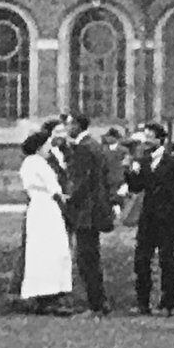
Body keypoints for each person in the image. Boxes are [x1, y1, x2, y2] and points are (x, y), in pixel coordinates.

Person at [124, 123, 174, 315]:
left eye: (150, 137)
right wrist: (132, 171)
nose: (146, 141)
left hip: (167, 219)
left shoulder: (173, 163)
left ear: (159, 140)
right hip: (148, 218)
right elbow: (136, 187)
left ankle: (167, 304)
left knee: (167, 261)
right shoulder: (144, 162)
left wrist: (171, 205)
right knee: (141, 260)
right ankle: (143, 303)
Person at [57, 114, 114, 316]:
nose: (66, 127)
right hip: (94, 208)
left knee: (86, 259)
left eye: (69, 124)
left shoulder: (84, 148)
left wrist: (69, 200)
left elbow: (81, 180)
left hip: (86, 211)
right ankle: (99, 302)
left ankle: (96, 304)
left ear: (77, 126)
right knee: (91, 258)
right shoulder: (93, 145)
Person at [15, 126, 72, 315]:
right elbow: (54, 189)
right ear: (39, 147)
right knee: (52, 250)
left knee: (39, 251)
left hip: (37, 209)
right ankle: (49, 295)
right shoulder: (39, 164)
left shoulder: (28, 164)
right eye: (47, 145)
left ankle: (41, 294)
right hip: (46, 209)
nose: (49, 148)